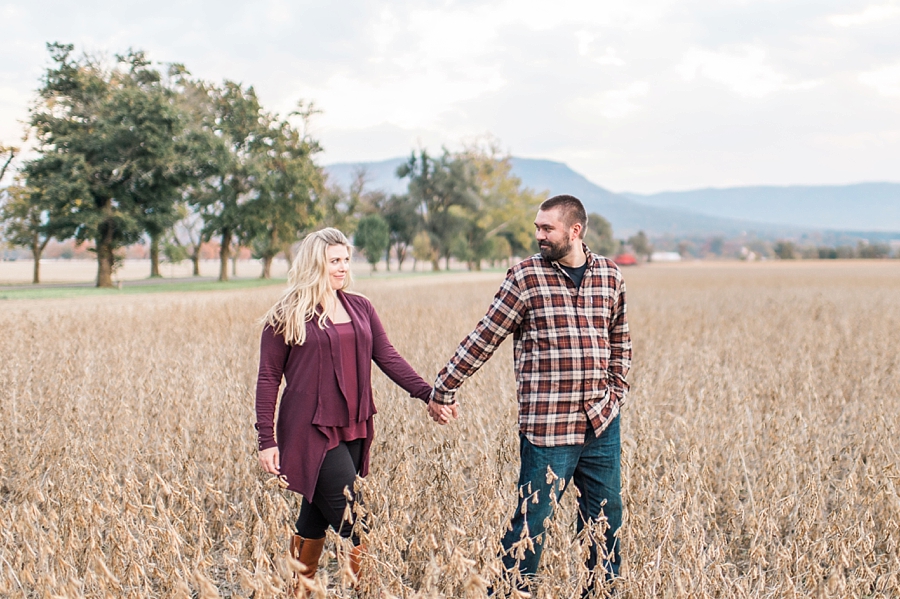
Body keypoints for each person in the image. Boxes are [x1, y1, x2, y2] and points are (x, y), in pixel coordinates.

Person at [428, 195, 632, 596]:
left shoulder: (609, 275)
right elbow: (485, 336)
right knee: (531, 524)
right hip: (547, 428)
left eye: (546, 228)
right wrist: (444, 388)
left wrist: (616, 393)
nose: (538, 235)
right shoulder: (525, 277)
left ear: (575, 231)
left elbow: (620, 341)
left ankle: (602, 592)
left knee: (607, 520)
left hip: (601, 422)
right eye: (537, 228)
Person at [255, 227, 453, 589]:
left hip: (355, 426)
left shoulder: (359, 306)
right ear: (316, 264)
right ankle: (369, 591)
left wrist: (429, 395)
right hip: (310, 430)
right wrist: (266, 440)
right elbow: (268, 378)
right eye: (335, 261)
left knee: (313, 518)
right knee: (357, 521)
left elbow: (387, 357)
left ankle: (294, 591)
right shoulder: (286, 314)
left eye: (346, 259)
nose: (343, 267)